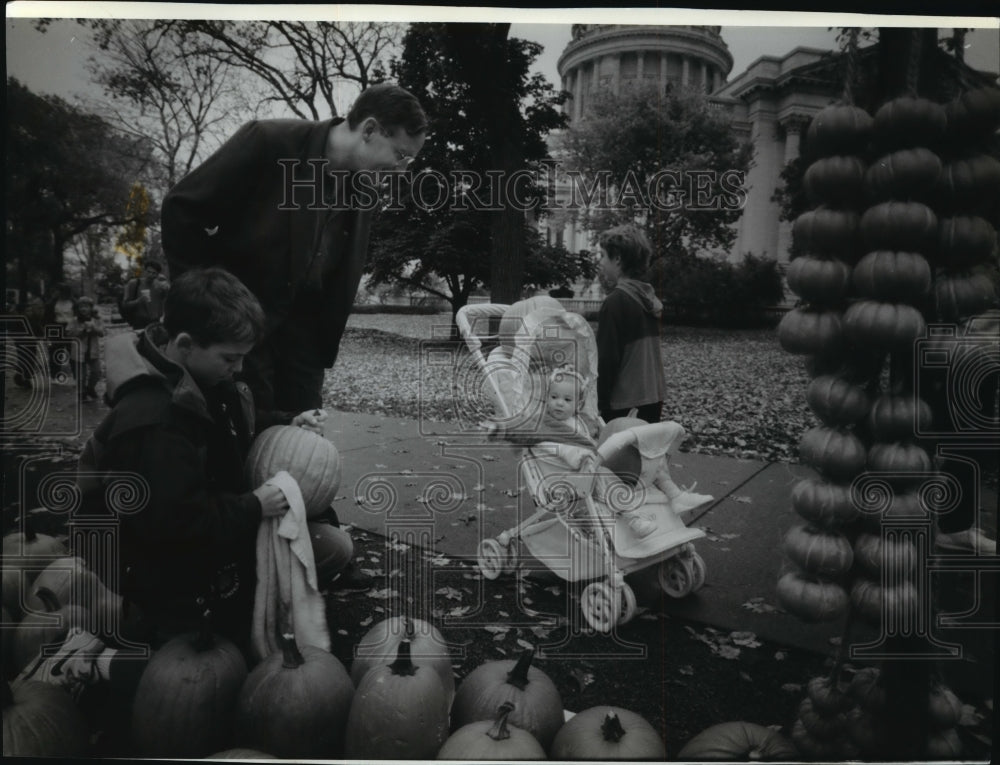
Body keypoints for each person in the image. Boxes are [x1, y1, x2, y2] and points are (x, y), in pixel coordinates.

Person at [68, 267, 347, 655]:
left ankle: (240, 601)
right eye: (230, 358)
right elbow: (175, 520)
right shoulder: (153, 423)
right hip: (155, 560)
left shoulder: (204, 379)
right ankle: (118, 647)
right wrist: (254, 505)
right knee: (195, 667)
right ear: (185, 343)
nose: (239, 368)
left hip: (209, 524)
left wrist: (288, 422)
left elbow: (234, 424)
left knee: (333, 547)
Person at [161, 82, 428, 423]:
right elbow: (182, 208)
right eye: (401, 155)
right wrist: (199, 301)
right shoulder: (269, 141)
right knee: (242, 443)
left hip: (306, 345)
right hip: (242, 331)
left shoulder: (364, 187)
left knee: (301, 445)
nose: (402, 168)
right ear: (370, 129)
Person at [595, 224, 667, 424]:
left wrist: (598, 404)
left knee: (613, 455)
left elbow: (606, 360)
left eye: (603, 255)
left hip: (623, 403)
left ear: (617, 258)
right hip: (652, 397)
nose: (600, 262)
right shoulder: (648, 299)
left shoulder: (616, 302)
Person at [65, 295, 105, 401]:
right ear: (77, 309)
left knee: (97, 372)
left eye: (86, 306)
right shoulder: (74, 321)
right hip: (79, 351)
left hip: (93, 351)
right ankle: (81, 393)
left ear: (91, 308)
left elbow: (102, 333)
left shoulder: (96, 319)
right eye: (81, 306)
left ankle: (90, 388)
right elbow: (68, 334)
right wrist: (82, 331)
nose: (83, 309)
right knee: (81, 376)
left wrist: (93, 328)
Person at [121, 259, 170, 330]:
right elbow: (124, 305)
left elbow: (168, 301)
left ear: (157, 275)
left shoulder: (160, 286)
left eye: (154, 273)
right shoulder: (134, 283)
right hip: (139, 322)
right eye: (148, 272)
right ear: (144, 271)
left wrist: (167, 288)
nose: (150, 275)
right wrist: (138, 301)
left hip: (155, 322)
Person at [45, 283, 76, 383]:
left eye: (58, 291)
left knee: (73, 352)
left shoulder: (73, 302)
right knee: (55, 351)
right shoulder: (52, 303)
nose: (56, 293)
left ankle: (77, 375)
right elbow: (48, 317)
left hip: (71, 328)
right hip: (56, 327)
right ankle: (54, 375)